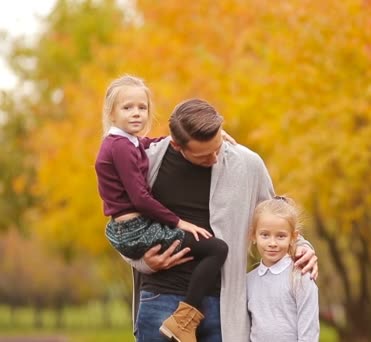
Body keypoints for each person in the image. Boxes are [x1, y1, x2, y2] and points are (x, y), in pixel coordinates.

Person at [123, 98, 318, 342]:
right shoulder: (147, 162)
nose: (215, 158)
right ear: (177, 145)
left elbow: (276, 216)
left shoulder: (248, 164)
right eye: (204, 155)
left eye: (218, 147)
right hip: (161, 297)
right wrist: (141, 260)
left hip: (222, 305)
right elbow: (123, 224)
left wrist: (302, 248)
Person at [94, 76, 229, 342]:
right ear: (111, 113)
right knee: (216, 248)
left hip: (130, 228)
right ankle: (184, 320)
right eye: (127, 107)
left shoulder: (128, 143)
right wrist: (179, 222)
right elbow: (141, 198)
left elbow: (152, 143)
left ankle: (184, 318)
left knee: (211, 248)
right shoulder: (120, 147)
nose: (136, 113)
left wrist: (201, 135)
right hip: (135, 229)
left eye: (142, 107)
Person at [247, 196, 320, 342]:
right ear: (253, 236)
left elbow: (309, 334)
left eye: (281, 236)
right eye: (265, 235)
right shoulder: (248, 281)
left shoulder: (300, 277)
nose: (272, 243)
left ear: (293, 237)